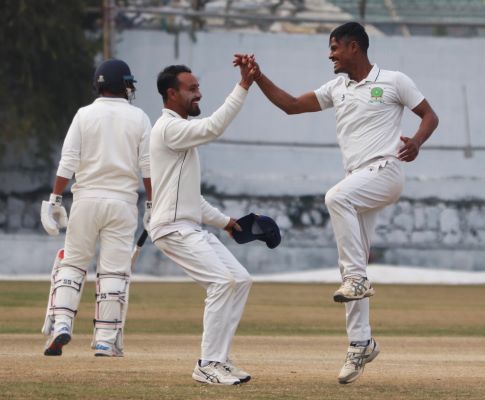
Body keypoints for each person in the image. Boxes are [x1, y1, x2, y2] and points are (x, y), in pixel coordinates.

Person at [235, 22, 439, 384]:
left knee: (336, 199)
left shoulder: (394, 81)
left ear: (354, 48)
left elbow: (429, 115)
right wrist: (258, 76)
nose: (330, 54)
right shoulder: (337, 88)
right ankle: (361, 343)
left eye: (334, 48)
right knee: (350, 266)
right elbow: (292, 106)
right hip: (359, 180)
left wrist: (417, 142)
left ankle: (357, 279)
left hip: (387, 170)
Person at [148, 63, 255, 385]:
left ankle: (219, 360)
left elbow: (191, 197)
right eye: (192, 89)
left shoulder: (180, 133)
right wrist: (244, 85)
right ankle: (207, 364)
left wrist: (227, 222)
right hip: (171, 227)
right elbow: (213, 128)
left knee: (240, 279)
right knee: (222, 283)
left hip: (188, 224)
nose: (199, 94)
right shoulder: (169, 129)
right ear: (172, 93)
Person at [40, 58, 152, 357]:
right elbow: (148, 167)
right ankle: (104, 339)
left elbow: (68, 162)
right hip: (122, 203)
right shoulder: (139, 117)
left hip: (86, 200)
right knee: (114, 272)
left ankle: (62, 323)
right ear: (124, 85)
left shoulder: (83, 115)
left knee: (72, 264)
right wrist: (152, 203)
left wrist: (54, 199)